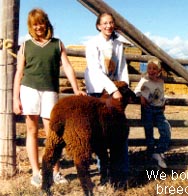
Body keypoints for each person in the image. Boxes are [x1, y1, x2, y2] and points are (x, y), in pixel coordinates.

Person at [13, 8, 86, 187]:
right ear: (31, 26)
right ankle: (36, 172)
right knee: (32, 131)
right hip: (29, 89)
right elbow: (19, 72)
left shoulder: (57, 44)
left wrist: (76, 89)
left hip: (50, 92)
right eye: (34, 24)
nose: (38, 27)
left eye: (41, 23)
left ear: (46, 23)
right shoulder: (26, 45)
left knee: (54, 133)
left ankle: (55, 171)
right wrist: (16, 98)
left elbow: (67, 67)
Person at [84, 12, 129, 188]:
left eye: (111, 23)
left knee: (119, 133)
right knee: (101, 135)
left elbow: (122, 67)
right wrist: (113, 89)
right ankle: (104, 175)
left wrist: (123, 87)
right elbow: (95, 70)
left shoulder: (118, 44)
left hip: (115, 93)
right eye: (104, 23)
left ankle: (121, 174)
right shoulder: (93, 44)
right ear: (98, 26)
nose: (108, 26)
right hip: (98, 92)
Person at [134, 58, 171, 169]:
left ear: (159, 70)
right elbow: (136, 91)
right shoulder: (144, 79)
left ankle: (159, 152)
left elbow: (161, 94)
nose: (151, 70)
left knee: (166, 130)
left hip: (159, 110)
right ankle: (150, 155)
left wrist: (163, 102)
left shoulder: (160, 81)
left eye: (154, 68)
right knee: (149, 132)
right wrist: (141, 96)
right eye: (149, 68)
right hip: (148, 109)